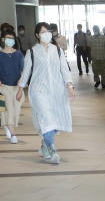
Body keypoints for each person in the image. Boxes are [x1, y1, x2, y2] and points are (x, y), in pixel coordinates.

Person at [17, 22, 74, 164]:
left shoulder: (57, 50)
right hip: (38, 90)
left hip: (56, 90)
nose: (46, 34)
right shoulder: (32, 51)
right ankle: (52, 149)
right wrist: (20, 89)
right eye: (43, 32)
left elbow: (64, 69)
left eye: (48, 31)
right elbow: (26, 72)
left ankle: (44, 146)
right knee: (47, 117)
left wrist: (70, 85)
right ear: (37, 35)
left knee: (52, 120)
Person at [0, 29, 25, 143]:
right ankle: (13, 134)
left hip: (16, 87)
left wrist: (21, 79)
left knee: (15, 110)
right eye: (8, 38)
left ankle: (7, 126)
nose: (10, 40)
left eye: (12, 38)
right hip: (3, 86)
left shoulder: (19, 54)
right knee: (6, 109)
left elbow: (24, 70)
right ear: (3, 40)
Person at [89, 25, 105, 89]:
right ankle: (97, 81)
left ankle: (103, 82)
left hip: (103, 57)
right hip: (94, 57)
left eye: (96, 29)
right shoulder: (91, 38)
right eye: (94, 29)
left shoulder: (103, 37)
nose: (95, 30)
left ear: (98, 29)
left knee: (103, 71)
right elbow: (90, 47)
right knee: (95, 70)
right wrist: (90, 57)